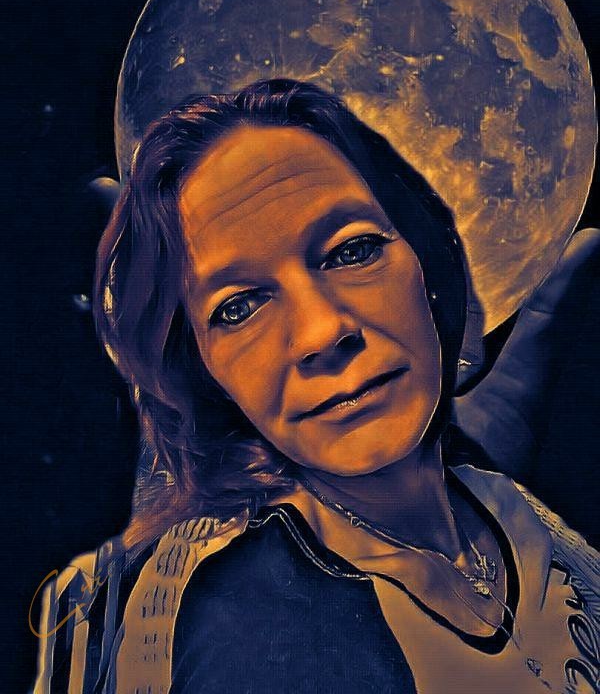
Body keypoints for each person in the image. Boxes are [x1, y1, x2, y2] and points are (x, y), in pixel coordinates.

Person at [33, 79, 599, 694]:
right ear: (204, 372)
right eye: (239, 307)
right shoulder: (243, 638)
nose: (322, 331)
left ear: (429, 262)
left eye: (351, 251)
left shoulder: (511, 511)